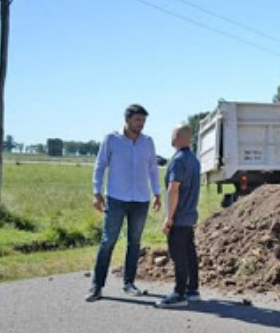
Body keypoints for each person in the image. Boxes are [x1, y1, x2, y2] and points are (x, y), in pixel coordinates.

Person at [86, 104, 162, 302]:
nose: (141, 124)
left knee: (134, 242)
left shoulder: (148, 142)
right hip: (116, 198)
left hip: (141, 199)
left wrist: (157, 193)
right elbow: (100, 166)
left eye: (143, 121)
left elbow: (153, 168)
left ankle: (129, 283)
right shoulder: (112, 140)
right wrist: (96, 192)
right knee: (108, 240)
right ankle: (97, 286)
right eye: (138, 120)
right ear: (127, 120)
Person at [156, 124, 201, 308]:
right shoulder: (193, 160)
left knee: (178, 255)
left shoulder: (178, 161)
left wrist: (169, 217)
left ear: (177, 136)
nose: (171, 136)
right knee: (190, 253)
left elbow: (173, 190)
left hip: (179, 215)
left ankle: (179, 293)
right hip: (190, 215)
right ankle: (192, 290)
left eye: (173, 133)